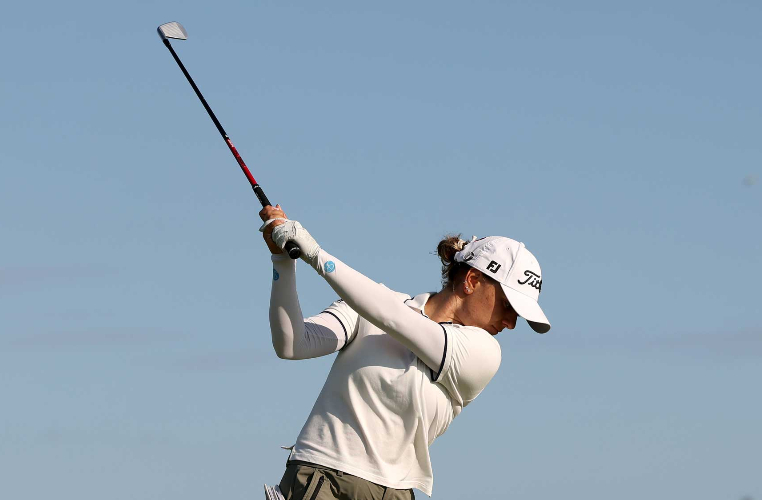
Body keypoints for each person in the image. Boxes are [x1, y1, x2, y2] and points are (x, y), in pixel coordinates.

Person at [260, 205, 550, 499]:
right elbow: (293, 343)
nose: (511, 323)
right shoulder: (367, 306)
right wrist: (282, 261)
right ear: (472, 281)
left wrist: (316, 254)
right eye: (508, 306)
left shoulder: (484, 352)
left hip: (395, 492)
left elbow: (392, 317)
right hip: (322, 477)